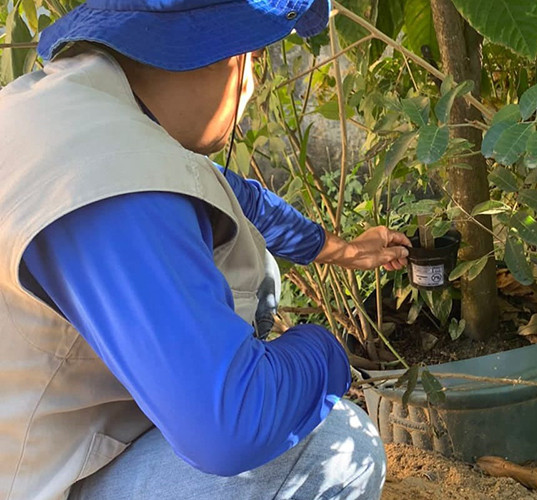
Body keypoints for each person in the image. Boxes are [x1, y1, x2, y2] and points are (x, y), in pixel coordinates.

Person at [0, 0, 412, 498]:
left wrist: (344, 250)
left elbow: (241, 200)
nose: (252, 85)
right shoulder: (123, 192)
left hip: (33, 447)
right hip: (35, 482)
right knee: (337, 447)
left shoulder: (64, 115)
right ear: (220, 53)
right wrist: (327, 353)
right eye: (254, 58)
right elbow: (233, 427)